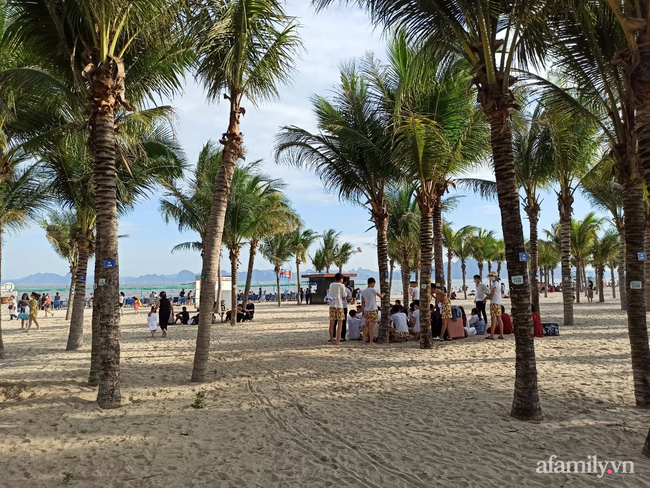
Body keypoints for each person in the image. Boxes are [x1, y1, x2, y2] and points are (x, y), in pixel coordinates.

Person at [361, 277, 383, 344]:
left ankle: (363, 340)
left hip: (366, 309)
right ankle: (371, 341)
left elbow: (363, 303)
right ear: (372, 283)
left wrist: (362, 311)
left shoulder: (363, 291)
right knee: (372, 326)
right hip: (373, 309)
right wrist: (384, 294)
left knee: (366, 325)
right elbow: (381, 296)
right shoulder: (373, 290)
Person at [328, 273, 346, 344]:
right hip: (339, 305)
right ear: (341, 279)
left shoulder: (331, 284)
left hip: (332, 305)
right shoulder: (342, 285)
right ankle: (338, 340)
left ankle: (332, 340)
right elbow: (344, 296)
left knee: (332, 323)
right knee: (340, 323)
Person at [485, 271, 504, 340]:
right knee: (499, 318)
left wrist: (486, 295)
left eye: (491, 276)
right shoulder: (498, 283)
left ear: (495, 277)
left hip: (494, 303)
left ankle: (492, 335)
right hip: (498, 302)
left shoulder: (495, 284)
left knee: (493, 319)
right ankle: (501, 334)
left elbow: (492, 294)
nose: (490, 278)